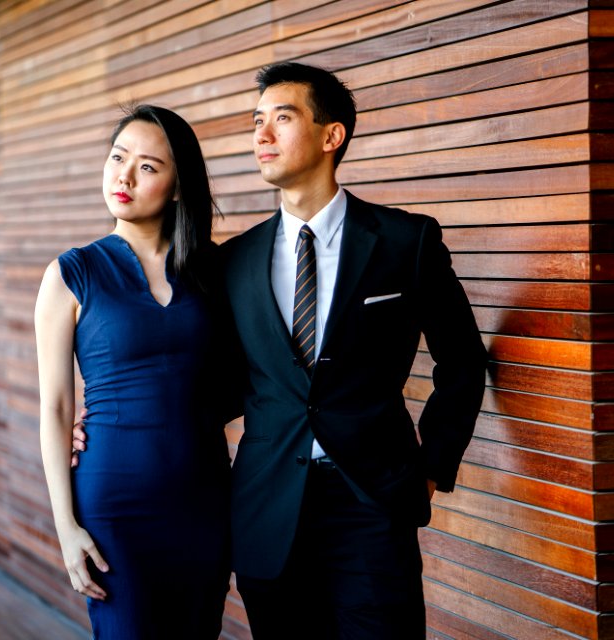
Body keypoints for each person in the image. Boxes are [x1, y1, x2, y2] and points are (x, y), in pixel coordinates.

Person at [74, 62, 488, 639]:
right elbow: (215, 384)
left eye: (282, 119)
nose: (261, 136)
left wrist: (432, 467)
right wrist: (115, 424)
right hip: (268, 507)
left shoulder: (405, 241)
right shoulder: (231, 262)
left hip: (371, 506)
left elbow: (463, 361)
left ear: (330, 135)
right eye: (257, 121)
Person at [36, 103, 231, 639]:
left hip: (206, 499)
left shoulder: (213, 272)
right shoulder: (71, 274)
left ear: (176, 187)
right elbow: (55, 406)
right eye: (118, 157)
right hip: (114, 505)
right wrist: (65, 526)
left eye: (147, 166)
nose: (124, 175)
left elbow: (243, 378)